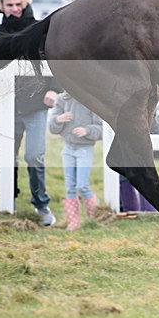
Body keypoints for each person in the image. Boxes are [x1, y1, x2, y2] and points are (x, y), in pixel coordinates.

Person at [0, 0, 63, 226]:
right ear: (2, 6)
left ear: (25, 2)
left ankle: (41, 203)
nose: (15, 9)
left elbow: (55, 59)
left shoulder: (39, 29)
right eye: (9, 5)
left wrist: (54, 88)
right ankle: (6, 199)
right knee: (6, 155)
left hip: (36, 105)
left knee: (34, 156)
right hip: (8, 105)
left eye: (18, 4)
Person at [105, 0, 156, 212]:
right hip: (114, 98)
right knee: (123, 151)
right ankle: (130, 205)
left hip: (140, 98)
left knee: (135, 151)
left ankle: (146, 206)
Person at [49, 92, 103, 230]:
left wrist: (87, 130)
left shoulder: (92, 100)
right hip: (68, 148)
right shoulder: (62, 99)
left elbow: (101, 128)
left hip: (85, 149)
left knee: (82, 185)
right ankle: (73, 222)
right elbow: (52, 126)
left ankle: (94, 218)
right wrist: (58, 119)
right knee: (70, 186)